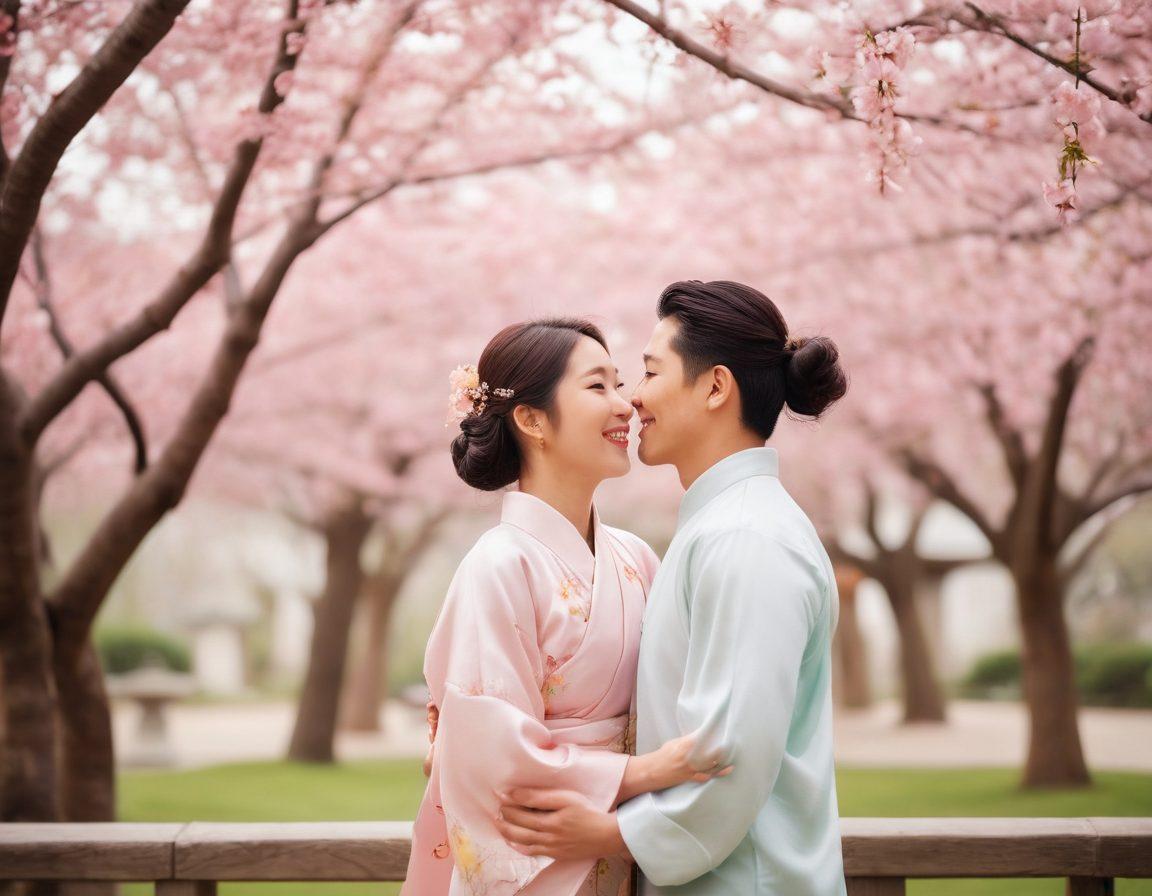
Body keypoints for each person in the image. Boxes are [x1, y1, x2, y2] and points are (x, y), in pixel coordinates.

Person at [495, 281, 850, 895]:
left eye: (650, 372)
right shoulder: (724, 527)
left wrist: (609, 834)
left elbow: (732, 747)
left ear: (715, 387)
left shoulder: (746, 538)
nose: (633, 399)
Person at [402, 317, 730, 896]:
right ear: (531, 420)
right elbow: (490, 749)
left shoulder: (635, 557)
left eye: (619, 383)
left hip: (620, 845)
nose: (626, 405)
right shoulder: (499, 564)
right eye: (597, 386)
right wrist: (643, 771)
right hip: (542, 853)